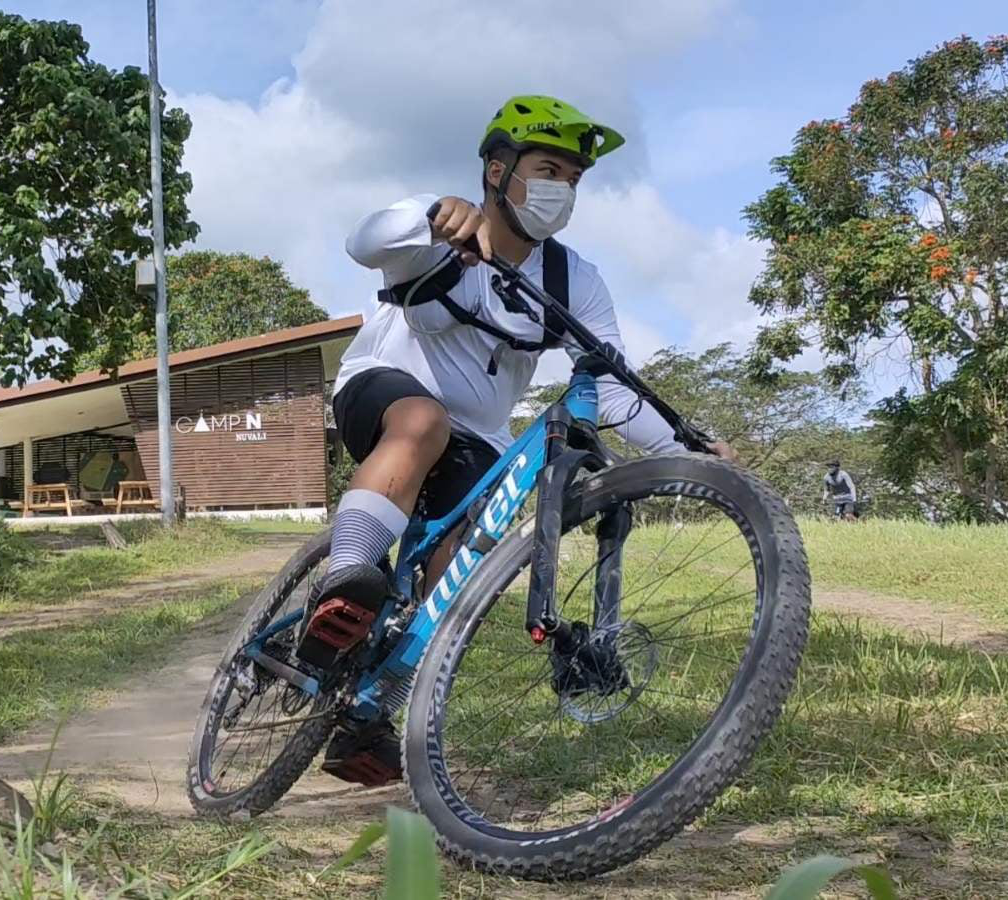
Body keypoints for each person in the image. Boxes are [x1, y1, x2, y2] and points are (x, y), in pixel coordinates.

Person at [301, 95, 736, 786]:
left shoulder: (573, 280)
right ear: (497, 171)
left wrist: (691, 453)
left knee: (460, 566)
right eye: (547, 168)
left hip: (478, 437)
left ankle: (369, 714)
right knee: (423, 422)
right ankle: (343, 580)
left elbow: (614, 385)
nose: (561, 189)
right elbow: (364, 243)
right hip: (384, 392)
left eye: (573, 178)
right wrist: (432, 214)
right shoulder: (439, 228)